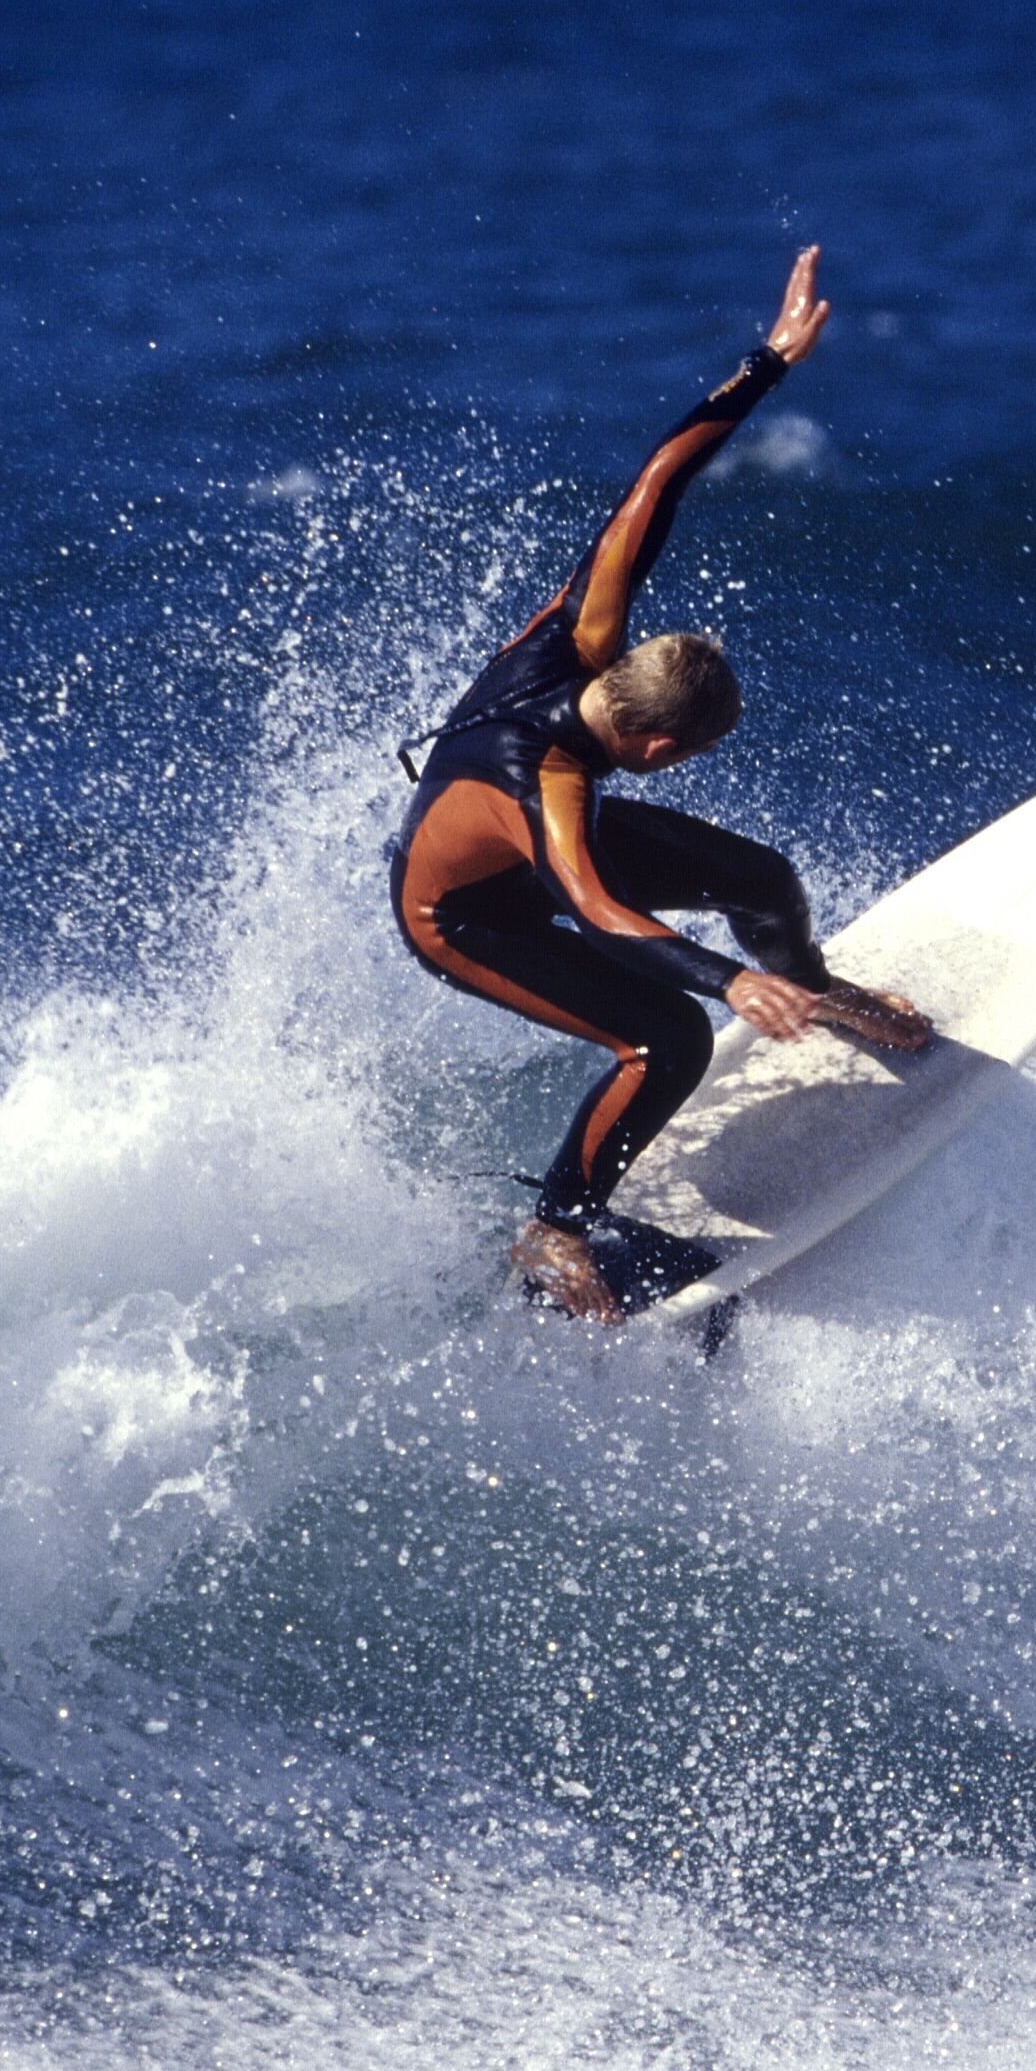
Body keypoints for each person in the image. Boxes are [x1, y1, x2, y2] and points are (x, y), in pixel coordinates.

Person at [391, 246, 926, 1322]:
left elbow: (657, 479)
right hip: (456, 914)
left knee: (759, 878)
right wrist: (729, 985)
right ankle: (552, 1226)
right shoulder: (547, 781)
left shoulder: (588, 632)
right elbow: (592, 906)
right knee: (664, 1037)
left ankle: (818, 993)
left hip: (541, 852)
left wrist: (767, 363)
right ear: (656, 748)